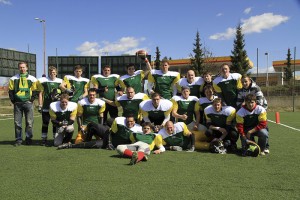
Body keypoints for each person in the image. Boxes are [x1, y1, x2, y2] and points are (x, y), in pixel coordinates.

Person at [8, 62, 38, 146]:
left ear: (27, 68)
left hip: (28, 103)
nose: (22, 69)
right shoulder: (13, 78)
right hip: (18, 104)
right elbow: (10, 91)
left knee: (29, 122)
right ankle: (18, 139)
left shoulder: (33, 79)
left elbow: (35, 90)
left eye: (24, 67)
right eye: (20, 67)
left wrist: (31, 100)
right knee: (17, 123)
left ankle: (28, 138)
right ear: (18, 68)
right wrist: (14, 101)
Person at [37, 66, 63, 145]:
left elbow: (63, 93)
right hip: (46, 105)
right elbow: (40, 93)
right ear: (49, 73)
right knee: (45, 123)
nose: (53, 74)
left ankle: (55, 138)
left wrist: (58, 96)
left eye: (54, 73)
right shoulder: (43, 80)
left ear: (56, 73)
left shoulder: (60, 81)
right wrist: (40, 105)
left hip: (56, 106)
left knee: (55, 123)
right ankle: (44, 139)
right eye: (51, 72)